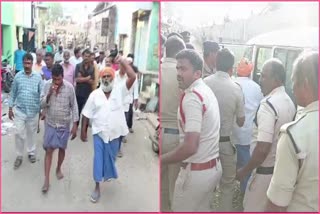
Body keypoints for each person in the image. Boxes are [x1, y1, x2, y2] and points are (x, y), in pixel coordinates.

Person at [162, 49, 222, 211]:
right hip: (211, 168)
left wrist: (163, 159)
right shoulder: (204, 90)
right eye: (177, 68)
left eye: (183, 69)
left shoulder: (193, 97)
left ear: (197, 73)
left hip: (196, 172)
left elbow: (190, 146)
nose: (178, 73)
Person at [236, 58, 296, 212]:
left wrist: (244, 170)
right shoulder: (289, 101)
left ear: (276, 79)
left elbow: (262, 148)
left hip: (263, 175)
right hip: (279, 173)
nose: (260, 80)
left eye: (264, 76)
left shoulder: (268, 105)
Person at [265, 52, 318, 212]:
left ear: (306, 83)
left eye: (294, 81)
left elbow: (276, 205)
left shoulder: (293, 135)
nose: (292, 88)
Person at [80, 57, 136, 203]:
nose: (105, 78)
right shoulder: (95, 95)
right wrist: (83, 131)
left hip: (115, 133)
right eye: (103, 76)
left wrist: (122, 61)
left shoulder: (120, 90)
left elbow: (133, 76)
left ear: (113, 78)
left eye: (108, 76)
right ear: (100, 78)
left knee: (111, 158)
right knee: (98, 159)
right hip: (99, 132)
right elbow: (86, 114)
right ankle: (97, 186)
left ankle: (108, 171)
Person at [204, 48, 245, 211]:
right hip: (226, 144)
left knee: (206, 186)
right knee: (227, 187)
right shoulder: (236, 88)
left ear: (216, 62)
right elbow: (241, 121)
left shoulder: (205, 83)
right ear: (232, 67)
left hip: (206, 143)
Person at [40, 64, 79, 193]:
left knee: (62, 148)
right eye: (54, 79)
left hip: (64, 124)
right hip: (51, 123)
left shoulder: (69, 88)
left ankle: (58, 168)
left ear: (63, 76)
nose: (56, 82)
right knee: (49, 150)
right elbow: (42, 104)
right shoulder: (47, 86)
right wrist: (49, 94)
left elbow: (74, 106)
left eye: (58, 79)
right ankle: (46, 180)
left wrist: (75, 125)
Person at [231, 58, 263, 207]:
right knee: (245, 164)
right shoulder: (256, 87)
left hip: (230, 133)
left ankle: (226, 190)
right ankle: (243, 193)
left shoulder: (231, 84)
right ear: (251, 71)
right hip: (246, 133)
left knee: (228, 163)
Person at [160, 35, 186, 212]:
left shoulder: (159, 70)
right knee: (174, 187)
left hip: (160, 133)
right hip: (177, 136)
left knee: (160, 186)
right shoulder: (182, 74)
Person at [8, 53, 43, 169]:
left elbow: (42, 95)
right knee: (18, 133)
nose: (27, 65)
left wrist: (42, 110)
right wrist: (10, 108)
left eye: (29, 63)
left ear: (32, 64)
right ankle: (19, 155)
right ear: (22, 63)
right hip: (20, 111)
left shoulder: (38, 77)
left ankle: (31, 152)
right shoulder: (18, 76)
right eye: (25, 63)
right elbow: (13, 93)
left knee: (31, 134)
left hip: (33, 112)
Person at [113, 57, 139, 157]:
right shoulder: (114, 75)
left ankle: (118, 148)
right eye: (122, 65)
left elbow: (135, 88)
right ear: (119, 65)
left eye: (126, 65)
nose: (123, 67)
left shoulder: (132, 77)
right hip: (114, 105)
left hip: (125, 105)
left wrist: (136, 99)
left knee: (121, 127)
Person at [75, 49, 94, 122]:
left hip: (88, 94)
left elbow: (92, 81)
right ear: (82, 56)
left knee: (86, 114)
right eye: (85, 56)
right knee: (77, 113)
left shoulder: (92, 68)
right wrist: (87, 78)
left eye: (88, 56)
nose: (86, 58)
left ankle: (84, 131)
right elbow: (77, 79)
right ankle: (75, 129)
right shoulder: (78, 66)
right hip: (79, 93)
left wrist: (82, 78)